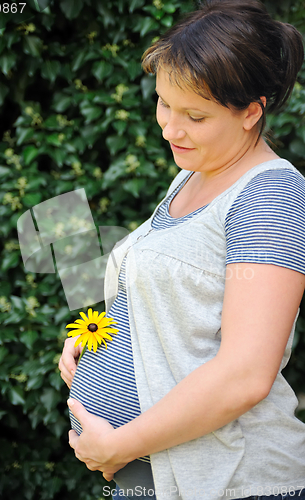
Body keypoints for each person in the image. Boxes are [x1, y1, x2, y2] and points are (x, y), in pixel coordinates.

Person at [58, 1, 305, 499]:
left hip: (231, 484)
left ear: (252, 112)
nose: (170, 128)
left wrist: (120, 442)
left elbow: (245, 374)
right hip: (151, 479)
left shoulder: (269, 194)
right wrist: (102, 340)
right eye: (163, 103)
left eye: (194, 115)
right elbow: (175, 305)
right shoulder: (193, 174)